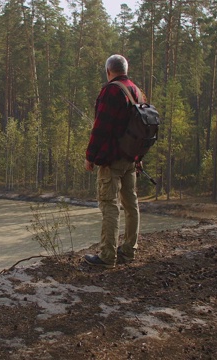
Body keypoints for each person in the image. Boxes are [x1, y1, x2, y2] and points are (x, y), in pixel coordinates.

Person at [84, 54, 143, 268]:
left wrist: (90, 156)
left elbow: (101, 127)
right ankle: (128, 251)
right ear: (125, 69)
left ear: (108, 71)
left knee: (109, 205)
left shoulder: (111, 91)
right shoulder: (136, 91)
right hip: (131, 158)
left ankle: (107, 256)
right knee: (131, 204)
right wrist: (138, 158)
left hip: (112, 158)